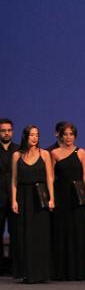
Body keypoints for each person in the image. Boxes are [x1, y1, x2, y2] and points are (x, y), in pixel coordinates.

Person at [11, 125, 55, 283]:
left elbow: (50, 178)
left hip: (39, 196)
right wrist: (14, 200)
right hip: (23, 196)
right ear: (25, 137)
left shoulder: (44, 154)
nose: (35, 138)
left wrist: (52, 198)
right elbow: (14, 180)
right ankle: (27, 272)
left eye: (37, 135)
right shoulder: (17, 155)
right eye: (31, 135)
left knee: (40, 235)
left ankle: (41, 272)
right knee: (25, 234)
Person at [50, 123, 85, 280]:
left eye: (71, 134)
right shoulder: (54, 153)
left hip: (77, 196)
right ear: (60, 136)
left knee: (77, 230)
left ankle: (79, 270)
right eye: (65, 134)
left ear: (75, 136)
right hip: (61, 196)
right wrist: (51, 197)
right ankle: (62, 271)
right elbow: (51, 177)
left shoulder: (81, 152)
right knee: (62, 231)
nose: (68, 137)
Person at [0, 118, 19, 275]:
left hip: (14, 198)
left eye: (9, 130)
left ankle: (14, 265)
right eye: (3, 130)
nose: (6, 133)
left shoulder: (18, 150)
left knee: (16, 232)